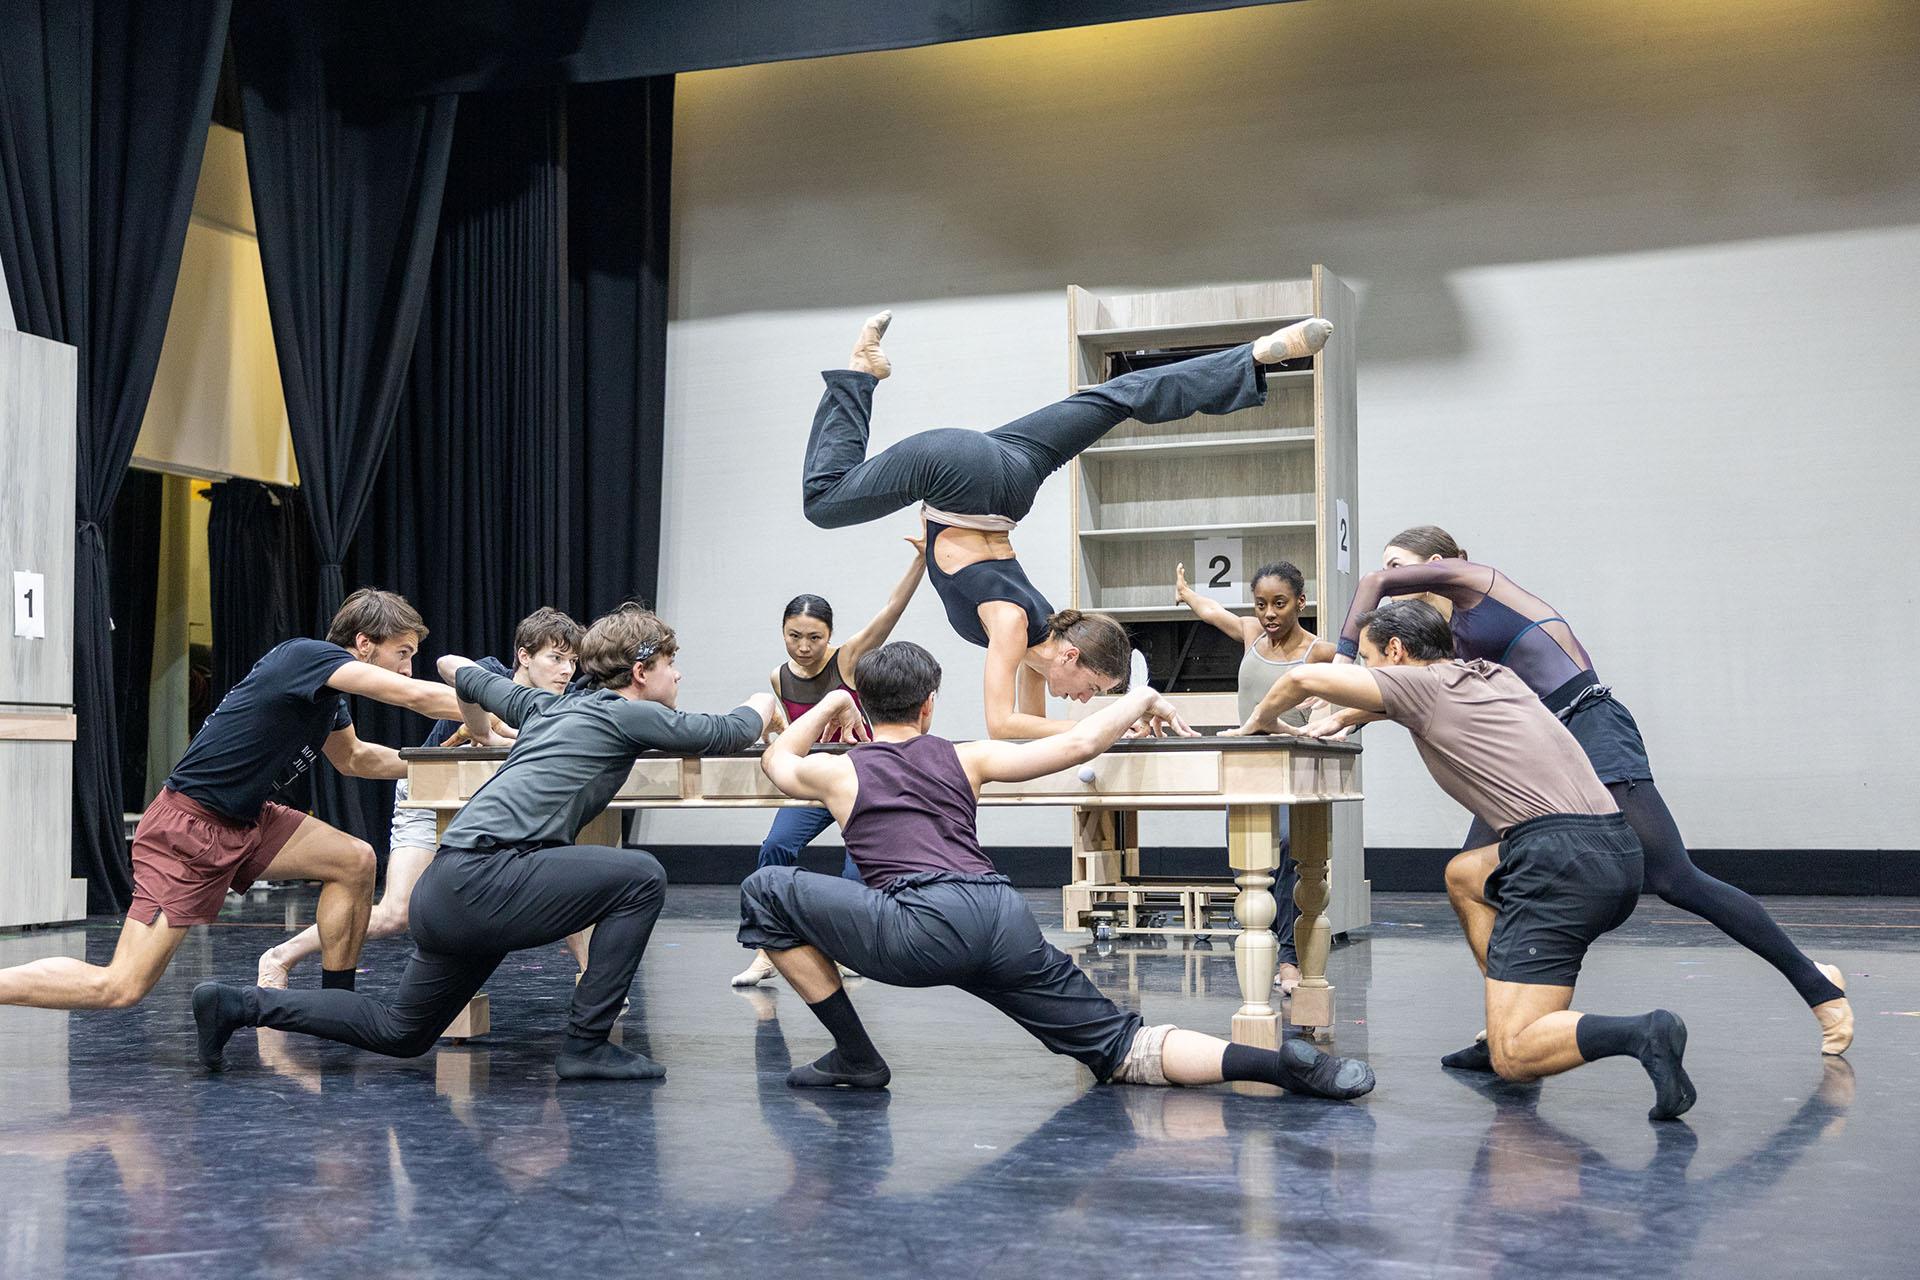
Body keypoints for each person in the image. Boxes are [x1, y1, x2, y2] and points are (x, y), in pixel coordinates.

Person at [741, 639, 1376, 1100]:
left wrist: (826, 708)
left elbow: (777, 761)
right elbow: (1078, 744)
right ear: (929, 706)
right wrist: (1142, 698)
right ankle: (1276, 1065)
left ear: (866, 706)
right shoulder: (969, 757)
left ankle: (856, 1055)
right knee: (1120, 1046)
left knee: (766, 888)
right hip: (1000, 917)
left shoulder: (841, 768)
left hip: (921, 926)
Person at [1314, 524, 1850, 1055]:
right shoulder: (1438, 641)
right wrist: (1345, 718)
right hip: (1535, 756)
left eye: (1401, 566)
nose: (1391, 577)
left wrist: (1341, 656)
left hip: (1588, 724)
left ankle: (1817, 986)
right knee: (1474, 876)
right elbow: (1431, 698)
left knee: (1672, 876)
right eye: (1389, 568)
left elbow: (1368, 586)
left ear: (1442, 562)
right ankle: (1514, 1023)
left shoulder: (1482, 587)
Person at [192, 604, 780, 1081]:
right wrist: (768, 700)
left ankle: (239, 1004)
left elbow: (456, 667)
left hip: (451, 888)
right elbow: (730, 732)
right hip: (487, 878)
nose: (679, 676)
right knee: (642, 876)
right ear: (641, 671)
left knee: (403, 1031)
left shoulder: (543, 707)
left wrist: (477, 723)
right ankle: (587, 1044)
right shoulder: (625, 715)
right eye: (673, 664)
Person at [1230, 600, 1696, 1121]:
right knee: (1465, 874)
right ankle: (1499, 1018)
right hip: (1613, 848)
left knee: (1514, 1057)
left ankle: (1642, 1032)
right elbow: (1393, 704)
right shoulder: (1487, 674)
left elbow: (1296, 683)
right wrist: (1344, 717)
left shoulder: (1418, 687)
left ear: (1397, 651)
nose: (1362, 671)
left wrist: (1256, 727)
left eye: (1366, 659)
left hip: (1558, 863)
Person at [800, 310, 1332, 737]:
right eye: (1091, 688)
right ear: (1072, 655)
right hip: (958, 474)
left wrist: (1105, 725)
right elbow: (999, 723)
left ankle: (1257, 355)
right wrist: (1112, 721)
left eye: (1090, 694)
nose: (1082, 698)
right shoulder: (1014, 625)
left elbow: (1023, 729)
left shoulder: (1038, 639)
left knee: (1114, 400)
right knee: (823, 502)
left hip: (1007, 478)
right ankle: (861, 373)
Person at [0, 589, 473, 1014]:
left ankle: (336, 1008)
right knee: (119, 987)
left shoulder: (329, 698)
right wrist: (505, 702)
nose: (408, 667)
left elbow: (355, 759)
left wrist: (432, 761)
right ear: (365, 642)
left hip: (248, 820)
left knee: (354, 860)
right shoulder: (307, 657)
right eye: (403, 653)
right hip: (186, 829)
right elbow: (413, 696)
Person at [256, 606, 584, 988]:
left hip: (497, 808)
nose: (566, 671)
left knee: (571, 872)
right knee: (397, 914)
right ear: (524, 656)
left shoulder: (564, 704)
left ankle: (594, 979)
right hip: (430, 798)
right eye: (556, 658)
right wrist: (504, 730)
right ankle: (281, 955)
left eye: (573, 661)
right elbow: (453, 679)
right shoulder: (487, 676)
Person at [733, 556, 923, 988]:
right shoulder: (779, 677)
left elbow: (890, 611)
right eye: (794, 636)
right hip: (816, 781)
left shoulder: (849, 660)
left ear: (830, 635)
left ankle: (846, 949)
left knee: (858, 870)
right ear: (782, 632)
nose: (803, 646)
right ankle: (768, 949)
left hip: (859, 781)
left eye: (814, 637)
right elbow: (797, 729)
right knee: (776, 846)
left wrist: (918, 561)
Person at [1175, 558, 1335, 994]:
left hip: (1292, 766)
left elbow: (1339, 698)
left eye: (1279, 603)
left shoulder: (1317, 652)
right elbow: (1212, 612)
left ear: (1300, 602)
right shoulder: (1250, 635)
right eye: (1261, 604)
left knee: (1287, 848)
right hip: (1245, 767)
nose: (1269, 614)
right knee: (1251, 860)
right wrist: (1186, 594)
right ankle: (1263, 949)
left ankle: (1287, 958)